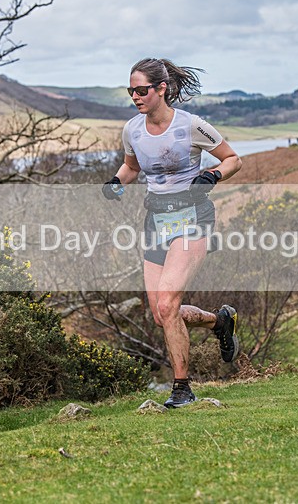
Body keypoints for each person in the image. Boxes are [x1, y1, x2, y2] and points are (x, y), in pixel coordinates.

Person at [102, 58, 243, 408]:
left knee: (168, 303)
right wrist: (117, 182)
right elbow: (132, 167)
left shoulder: (191, 125)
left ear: (161, 89)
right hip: (156, 220)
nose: (135, 97)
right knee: (161, 312)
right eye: (131, 91)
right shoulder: (132, 130)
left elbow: (233, 159)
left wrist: (212, 175)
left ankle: (182, 388)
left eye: (142, 90)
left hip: (193, 216)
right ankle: (220, 322)